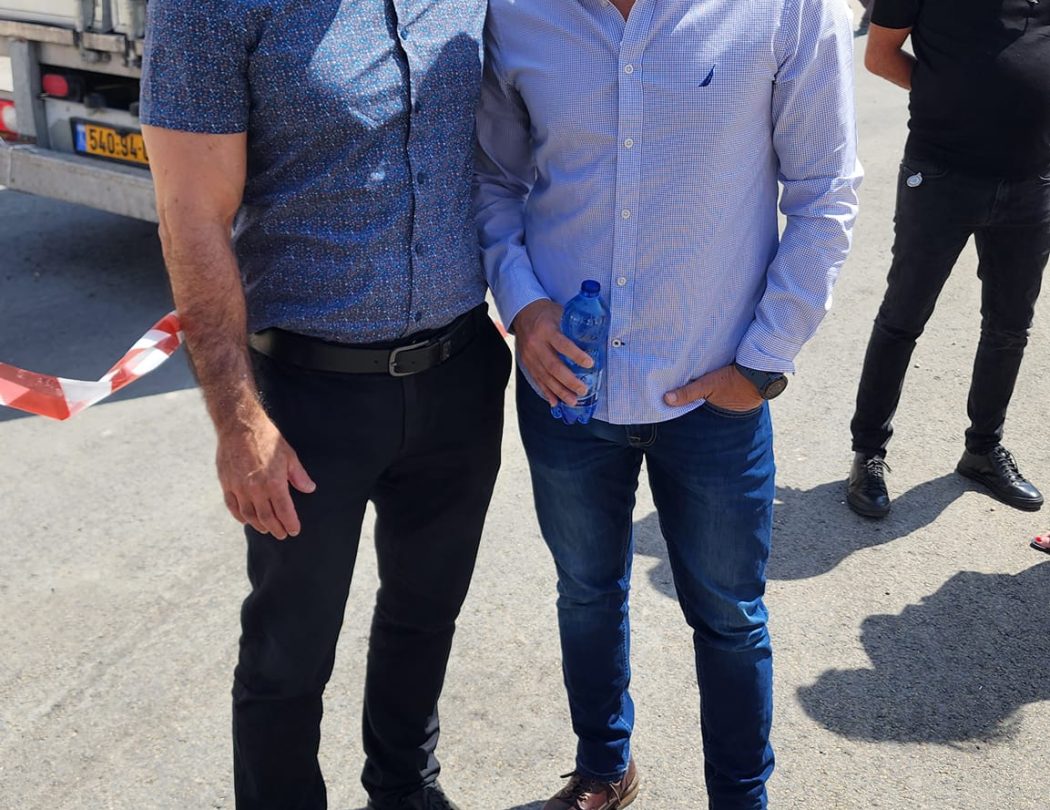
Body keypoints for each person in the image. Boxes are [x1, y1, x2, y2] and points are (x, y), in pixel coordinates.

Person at [475, 0, 861, 807]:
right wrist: (523, 302)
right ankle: (604, 768)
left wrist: (761, 365)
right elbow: (495, 180)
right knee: (585, 595)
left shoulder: (786, 10)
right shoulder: (518, 13)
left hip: (714, 396)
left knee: (728, 617)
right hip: (566, 391)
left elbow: (825, 192)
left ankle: (740, 798)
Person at [140, 2, 511, 808]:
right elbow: (191, 216)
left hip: (460, 374)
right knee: (289, 652)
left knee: (425, 614)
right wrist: (238, 421)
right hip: (307, 400)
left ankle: (406, 789)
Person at [846, 0, 1050, 519]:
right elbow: (880, 55)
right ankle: (868, 452)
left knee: (1009, 327)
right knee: (902, 317)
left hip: (1033, 181)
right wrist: (949, 95)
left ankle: (983, 449)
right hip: (941, 173)